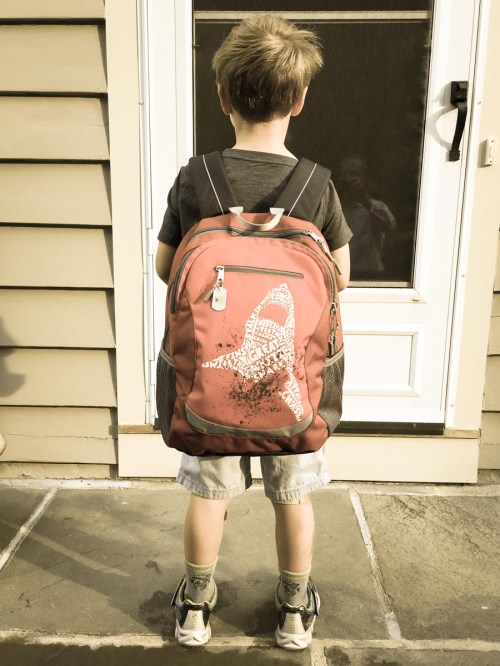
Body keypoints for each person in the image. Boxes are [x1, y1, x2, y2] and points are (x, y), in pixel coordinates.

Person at [155, 13, 351, 651]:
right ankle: (293, 609)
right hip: (293, 382)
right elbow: (340, 277)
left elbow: (166, 267)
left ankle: (195, 606)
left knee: (209, 494)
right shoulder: (317, 185)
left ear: (222, 97)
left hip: (209, 383)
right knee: (293, 495)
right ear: (300, 100)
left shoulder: (197, 177)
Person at [338, 156, 396, 280]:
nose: (350, 179)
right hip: (344, 276)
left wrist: (366, 202)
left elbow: (390, 226)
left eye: (355, 174)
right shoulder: (336, 211)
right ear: (340, 179)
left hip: (371, 277)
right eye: (346, 174)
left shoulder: (377, 207)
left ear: (364, 179)